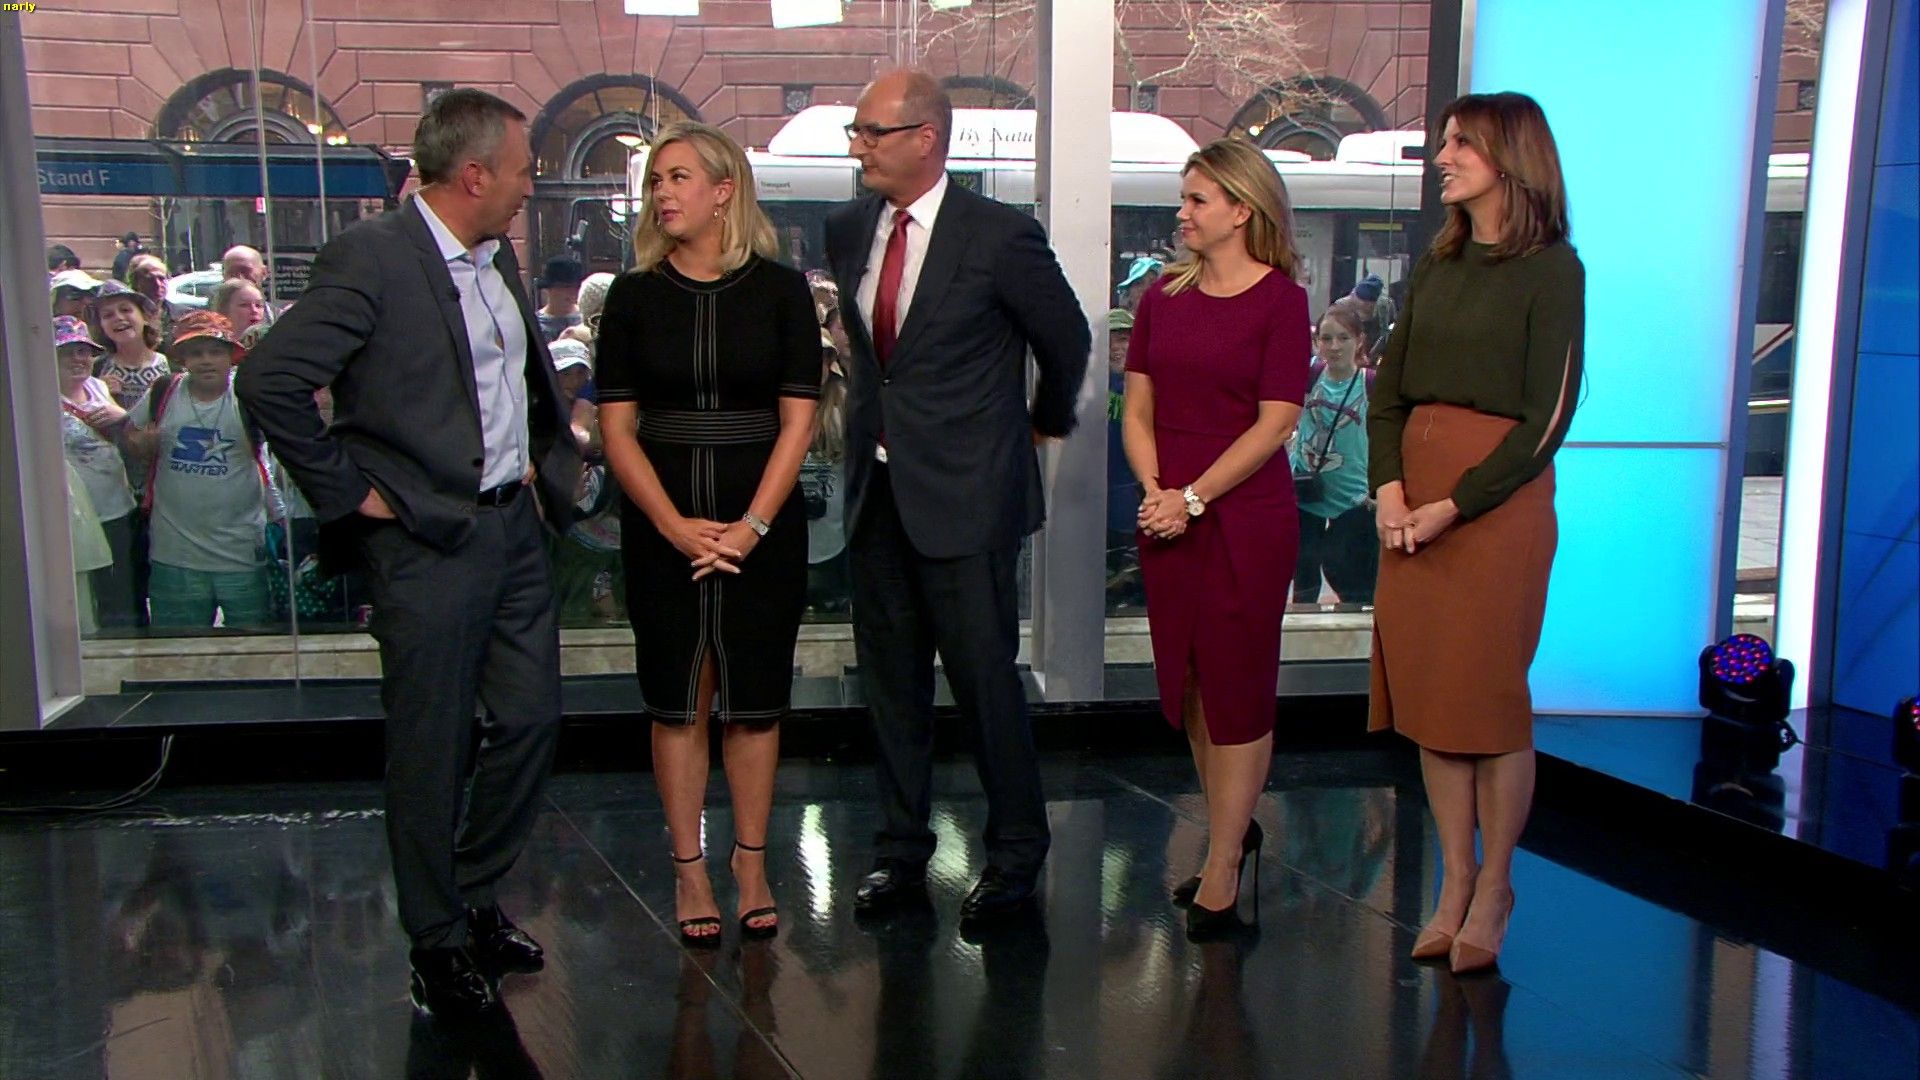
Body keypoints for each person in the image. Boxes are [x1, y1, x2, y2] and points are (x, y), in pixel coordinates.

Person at [236, 88, 582, 1018]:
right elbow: (269, 379)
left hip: (512, 529)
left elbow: (505, 381)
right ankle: (436, 938)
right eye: (522, 170)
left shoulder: (496, 254)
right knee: (432, 746)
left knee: (530, 722)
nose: (530, 186)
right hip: (425, 541)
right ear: (473, 175)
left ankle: (469, 891)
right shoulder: (374, 257)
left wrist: (542, 459)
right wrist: (349, 492)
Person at [826, 71, 1090, 922]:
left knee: (984, 686)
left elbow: (1067, 340)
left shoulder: (999, 235)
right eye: (855, 132)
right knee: (891, 688)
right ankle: (900, 854)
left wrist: (1037, 427)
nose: (858, 147)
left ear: (926, 139)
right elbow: (877, 364)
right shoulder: (848, 228)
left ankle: (1015, 855)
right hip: (877, 496)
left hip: (970, 500)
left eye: (871, 131)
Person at [1369, 92, 1584, 975]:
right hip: (1411, 503)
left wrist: (1452, 504)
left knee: (1486, 703)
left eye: (1461, 143)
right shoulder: (1439, 263)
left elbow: (1548, 420)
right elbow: (1388, 390)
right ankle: (1454, 879)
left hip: (1493, 509)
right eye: (1445, 141)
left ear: (1510, 157)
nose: (1443, 157)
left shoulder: (1553, 271)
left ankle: (1496, 885)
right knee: (1433, 703)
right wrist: (1389, 490)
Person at [596, 121, 820, 946]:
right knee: (678, 700)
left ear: (724, 191)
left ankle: (751, 863)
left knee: (754, 703)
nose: (662, 193)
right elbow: (617, 430)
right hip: (664, 522)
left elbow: (799, 422)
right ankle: (689, 868)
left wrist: (753, 526)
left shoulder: (783, 292)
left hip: (762, 520)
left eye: (678, 177)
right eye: (656, 181)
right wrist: (672, 527)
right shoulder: (632, 298)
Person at [1121, 137, 1309, 937]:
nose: (1183, 212)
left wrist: (1193, 497)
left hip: (1243, 517)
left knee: (1239, 684)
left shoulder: (1282, 303)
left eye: (1197, 199)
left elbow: (1276, 424)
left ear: (1242, 209)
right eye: (1184, 197)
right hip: (1169, 513)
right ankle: (1230, 830)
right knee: (1193, 679)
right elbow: (1137, 411)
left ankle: (1227, 857)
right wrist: (1157, 492)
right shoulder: (1161, 298)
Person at [124, 311, 276, 630]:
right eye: (196, 353)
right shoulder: (164, 391)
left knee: (254, 650)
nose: (206, 360)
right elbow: (129, 435)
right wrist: (141, 445)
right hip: (174, 557)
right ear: (183, 358)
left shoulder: (249, 395)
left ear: (231, 356)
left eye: (215, 351)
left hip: (242, 555)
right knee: (177, 651)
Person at [54, 316, 141, 630]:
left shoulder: (99, 386)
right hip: (75, 516)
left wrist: (122, 415)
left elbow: (130, 436)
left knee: (121, 591)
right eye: (67, 352)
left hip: (117, 507)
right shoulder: (41, 400)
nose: (78, 359)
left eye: (83, 351)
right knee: (84, 594)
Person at [1290, 298, 1378, 605]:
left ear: (1359, 341)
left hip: (1353, 496)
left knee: (1348, 571)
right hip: (1306, 488)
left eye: (1343, 338)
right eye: (1326, 339)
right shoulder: (1310, 374)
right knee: (1304, 571)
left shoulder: (1370, 384)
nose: (1334, 346)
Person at [1105, 308, 1144, 609]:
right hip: (1094, 503)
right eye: (1108, 342)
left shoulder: (1148, 387)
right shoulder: (1087, 387)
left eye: (1123, 339)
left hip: (1133, 499)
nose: (1116, 349)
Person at [91, 280, 172, 410]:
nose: (118, 317)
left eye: (125, 310)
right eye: (108, 315)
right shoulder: (95, 368)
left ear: (145, 316)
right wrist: (98, 392)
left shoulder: (171, 364)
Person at [535, 256, 585, 342]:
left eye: (577, 286)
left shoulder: (587, 320)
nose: (573, 292)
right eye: (566, 287)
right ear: (549, 288)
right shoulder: (535, 325)